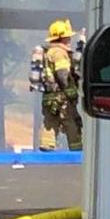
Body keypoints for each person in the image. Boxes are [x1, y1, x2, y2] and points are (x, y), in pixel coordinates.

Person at [35, 19, 82, 151]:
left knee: (50, 123)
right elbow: (62, 75)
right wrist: (72, 93)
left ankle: (46, 149)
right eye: (68, 36)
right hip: (62, 98)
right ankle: (77, 152)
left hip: (50, 98)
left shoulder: (49, 51)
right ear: (63, 37)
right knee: (72, 122)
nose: (70, 39)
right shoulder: (59, 53)